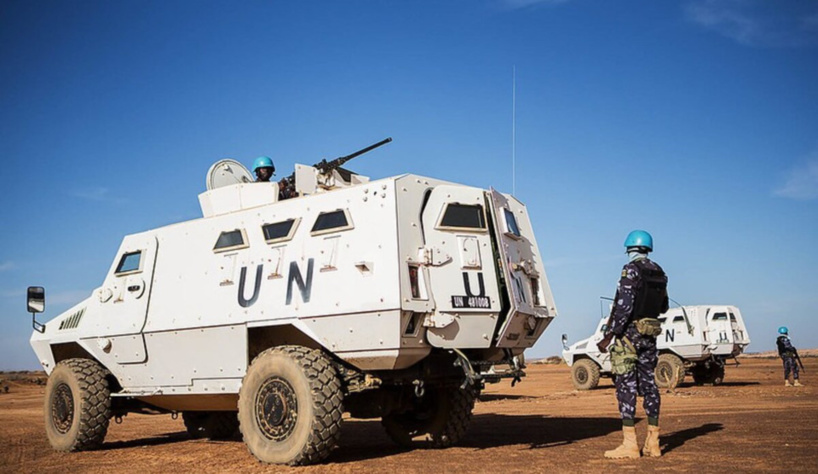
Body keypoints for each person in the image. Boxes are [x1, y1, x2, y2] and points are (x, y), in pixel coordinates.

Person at [597, 230, 668, 459]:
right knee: (650, 387)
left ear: (630, 248)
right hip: (650, 335)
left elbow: (624, 307)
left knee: (626, 387)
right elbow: (664, 306)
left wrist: (610, 335)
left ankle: (630, 445)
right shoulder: (658, 272)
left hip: (629, 337)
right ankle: (653, 443)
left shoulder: (631, 271)